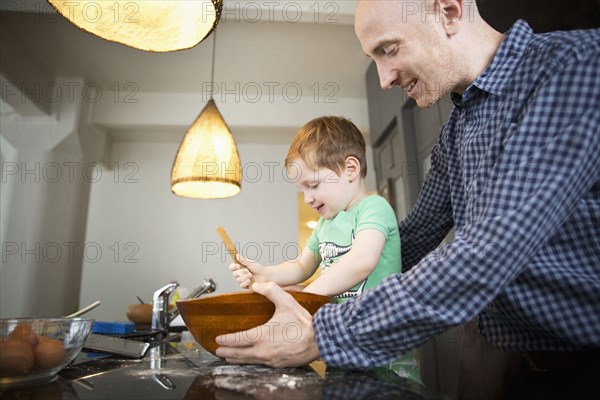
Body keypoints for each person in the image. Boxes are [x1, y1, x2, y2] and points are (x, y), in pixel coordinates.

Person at [216, 0, 600, 398]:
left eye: (389, 49)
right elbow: (409, 239)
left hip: (583, 364)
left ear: (448, 12)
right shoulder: (457, 130)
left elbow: (489, 251)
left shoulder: (572, 66)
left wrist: (322, 331)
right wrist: (306, 291)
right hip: (501, 353)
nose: (384, 79)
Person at [228, 116, 421, 382]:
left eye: (314, 185)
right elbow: (300, 266)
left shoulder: (374, 208)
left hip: (384, 348)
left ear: (350, 168)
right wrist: (265, 274)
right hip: (341, 342)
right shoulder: (324, 224)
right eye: (302, 189)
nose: (307, 198)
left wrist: (304, 298)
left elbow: (362, 260)